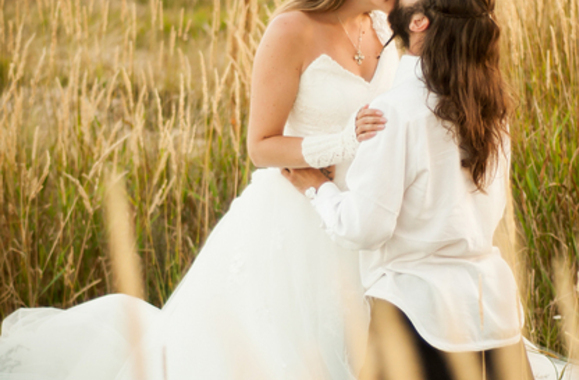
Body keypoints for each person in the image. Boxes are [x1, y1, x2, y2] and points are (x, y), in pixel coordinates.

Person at [0, 0, 400, 378]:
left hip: (364, 220)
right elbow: (260, 145)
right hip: (295, 221)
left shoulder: (385, 28)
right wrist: (340, 144)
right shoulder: (291, 30)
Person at [282, 0, 534, 378]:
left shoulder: (395, 112)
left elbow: (364, 227)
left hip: (417, 318)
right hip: (491, 314)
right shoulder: (491, 109)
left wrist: (319, 187)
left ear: (419, 21)